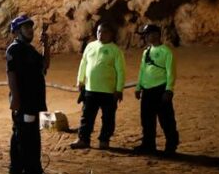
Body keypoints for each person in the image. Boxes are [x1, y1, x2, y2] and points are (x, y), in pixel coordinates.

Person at [6, 14, 52, 174]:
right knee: (26, 136)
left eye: (31, 27)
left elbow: (45, 65)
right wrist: (15, 99)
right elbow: (11, 75)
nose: (30, 30)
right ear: (17, 31)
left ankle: (18, 171)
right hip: (24, 101)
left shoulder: (30, 50)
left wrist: (46, 45)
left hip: (33, 101)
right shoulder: (14, 49)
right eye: (26, 28)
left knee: (26, 134)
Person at [70, 22, 125, 150]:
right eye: (99, 31)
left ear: (111, 34)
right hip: (90, 89)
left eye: (105, 32)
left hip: (108, 91)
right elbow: (83, 63)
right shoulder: (90, 46)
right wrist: (80, 80)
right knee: (86, 116)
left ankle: (104, 140)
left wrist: (119, 89)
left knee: (108, 117)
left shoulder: (115, 50)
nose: (101, 34)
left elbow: (121, 71)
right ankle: (83, 139)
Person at [133, 24, 179, 155]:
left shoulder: (166, 51)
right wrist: (138, 87)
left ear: (158, 34)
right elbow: (142, 70)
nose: (149, 37)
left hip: (161, 90)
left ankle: (171, 146)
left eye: (151, 34)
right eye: (147, 35)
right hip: (147, 91)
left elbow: (171, 72)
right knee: (147, 120)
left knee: (166, 120)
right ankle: (148, 145)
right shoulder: (146, 52)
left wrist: (169, 90)